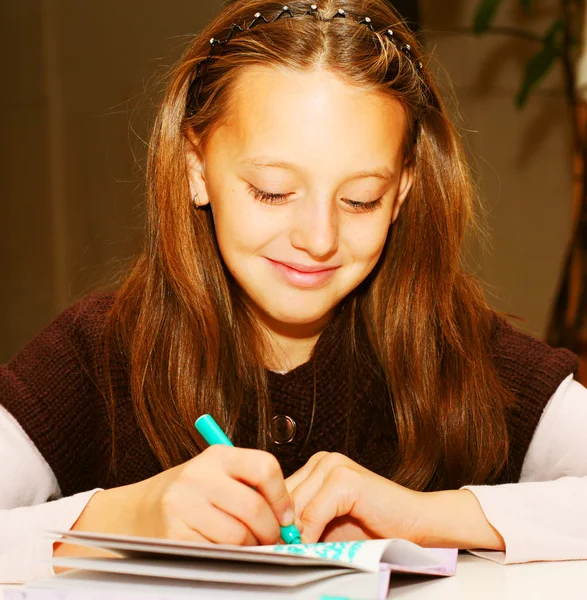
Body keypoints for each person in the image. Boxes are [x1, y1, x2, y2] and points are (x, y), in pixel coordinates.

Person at [1, 0, 587, 584]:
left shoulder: (462, 350)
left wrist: (425, 515)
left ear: (403, 191)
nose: (319, 239)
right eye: (273, 191)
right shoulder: (94, 354)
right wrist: (123, 518)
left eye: (360, 199)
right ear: (195, 167)